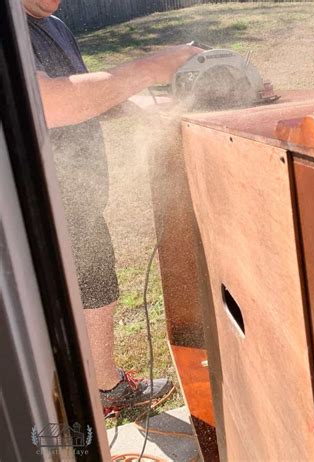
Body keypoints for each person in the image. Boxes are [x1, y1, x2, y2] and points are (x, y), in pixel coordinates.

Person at [23, 0, 201, 416]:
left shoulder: (53, 26)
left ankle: (104, 387)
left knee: (96, 282)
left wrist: (144, 104)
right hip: (29, 208)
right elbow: (48, 103)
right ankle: (74, 398)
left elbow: (85, 92)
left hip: (75, 200)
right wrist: (150, 67)